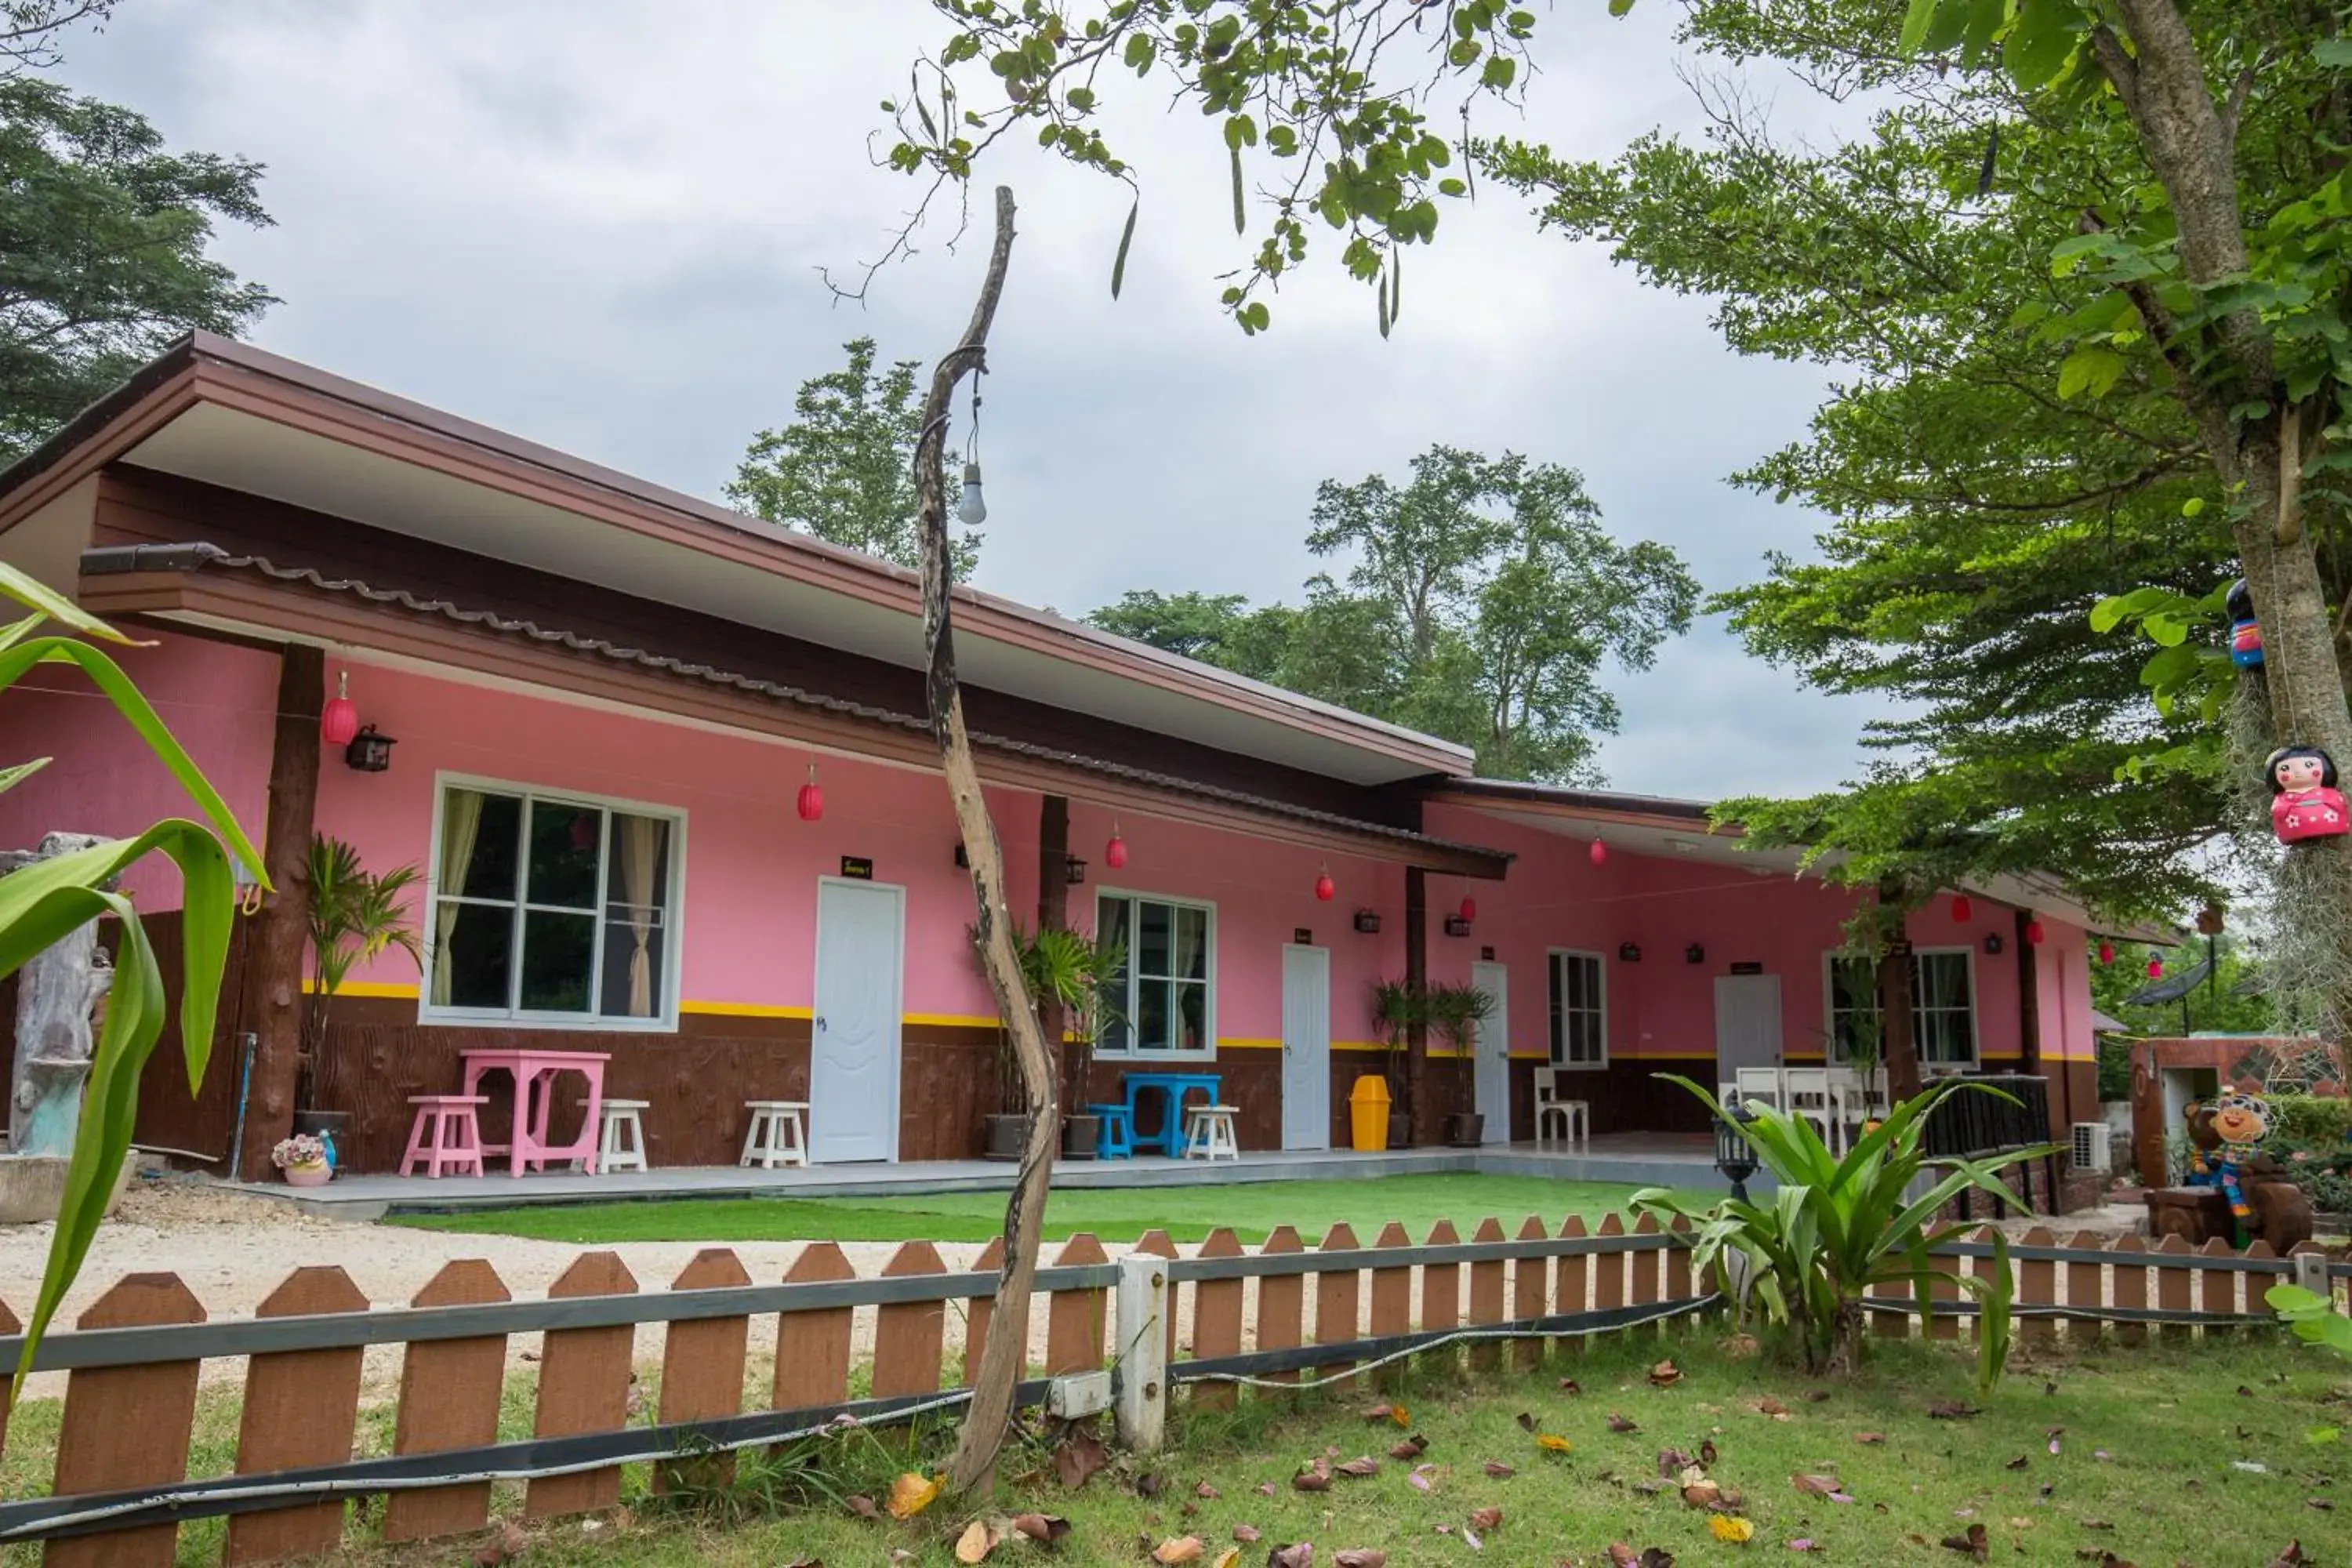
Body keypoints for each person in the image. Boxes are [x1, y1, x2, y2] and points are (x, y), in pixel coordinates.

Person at [2266, 744, 2349, 844]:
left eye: (2309, 765)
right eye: (2285, 768)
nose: (2298, 772)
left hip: (2332, 824)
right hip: (2294, 829)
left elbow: (2338, 803)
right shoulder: (2282, 798)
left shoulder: (2328, 792)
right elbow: (2278, 810)